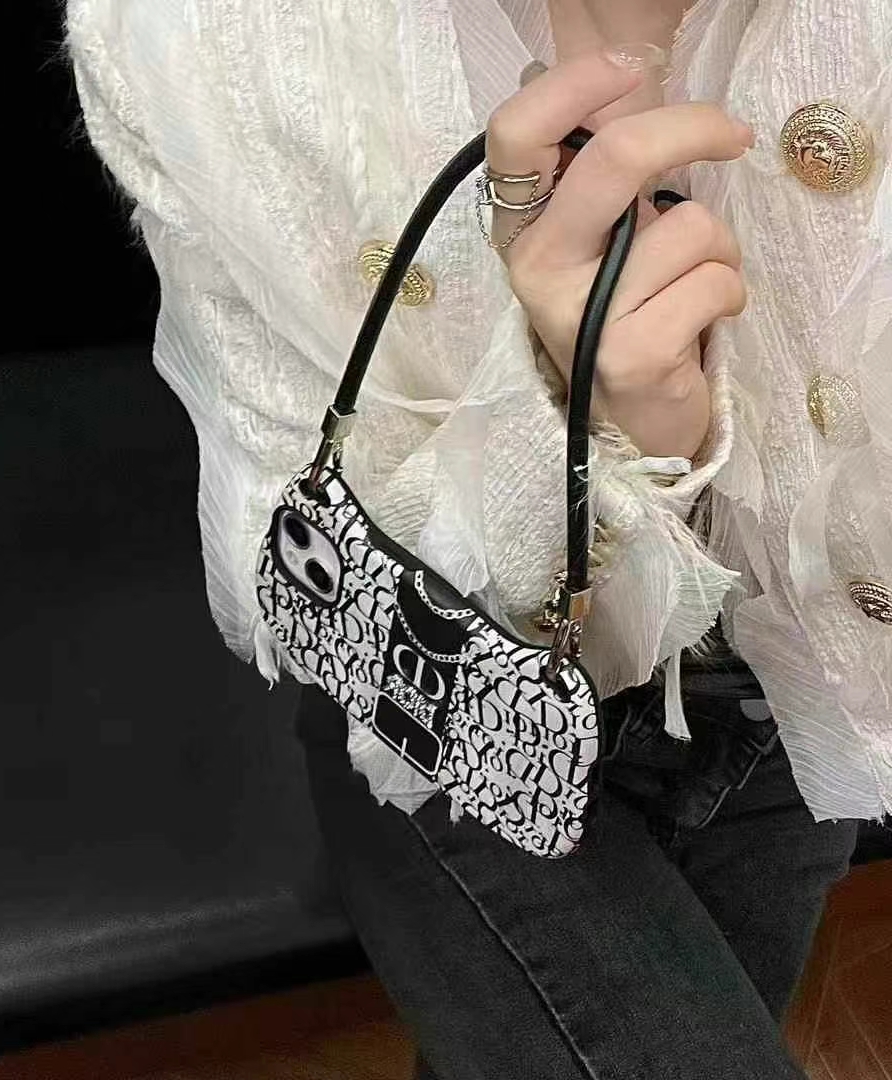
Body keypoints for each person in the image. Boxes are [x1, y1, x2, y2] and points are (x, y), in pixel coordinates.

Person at [64, 1, 889, 1075]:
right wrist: (591, 435)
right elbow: (288, 548)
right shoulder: (202, 33)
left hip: (791, 700)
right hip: (443, 697)